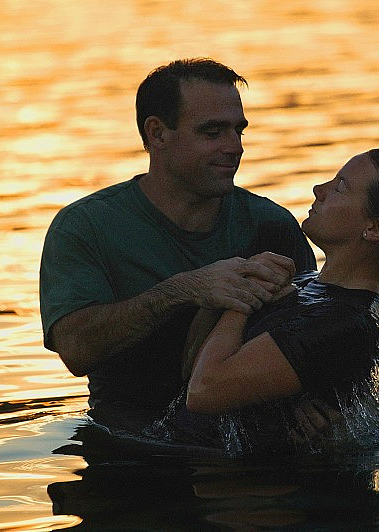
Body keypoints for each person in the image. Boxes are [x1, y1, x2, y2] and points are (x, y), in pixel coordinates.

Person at [39, 58, 316, 432]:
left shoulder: (272, 224)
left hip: (256, 437)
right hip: (130, 443)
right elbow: (75, 350)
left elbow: (316, 339)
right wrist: (184, 290)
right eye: (213, 132)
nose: (234, 147)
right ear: (157, 134)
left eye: (239, 131)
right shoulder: (85, 227)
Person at [158, 148, 379, 453]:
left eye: (340, 187)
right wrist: (221, 294)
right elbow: (191, 372)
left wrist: (245, 294)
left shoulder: (341, 323)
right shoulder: (307, 284)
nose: (319, 190)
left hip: (226, 482)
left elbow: (203, 392)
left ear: (374, 228)